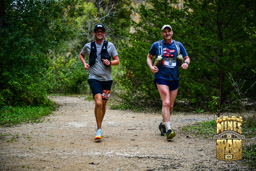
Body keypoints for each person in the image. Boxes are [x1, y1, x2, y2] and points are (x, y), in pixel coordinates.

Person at [146, 25, 190, 140]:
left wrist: (186, 63)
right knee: (165, 102)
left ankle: (163, 124)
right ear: (162, 34)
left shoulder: (178, 45)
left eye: (168, 31)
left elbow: (187, 57)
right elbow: (149, 57)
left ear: (172, 32)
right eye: (164, 32)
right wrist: (151, 67)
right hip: (161, 77)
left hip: (174, 78)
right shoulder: (157, 45)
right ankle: (169, 129)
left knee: (170, 105)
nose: (167, 33)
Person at [80, 24, 119, 141]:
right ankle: (99, 128)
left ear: (104, 33)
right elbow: (81, 55)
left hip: (107, 79)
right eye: (97, 31)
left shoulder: (110, 46)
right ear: (94, 33)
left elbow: (117, 60)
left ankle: (99, 126)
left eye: (101, 31)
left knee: (104, 104)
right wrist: (84, 64)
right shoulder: (88, 46)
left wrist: (110, 63)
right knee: (98, 103)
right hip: (94, 77)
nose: (99, 33)